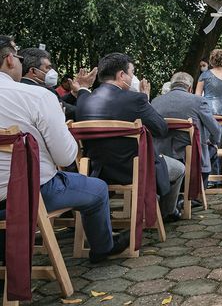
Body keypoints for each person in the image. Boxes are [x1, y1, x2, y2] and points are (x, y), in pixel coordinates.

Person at [0, 36, 129, 263]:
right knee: (98, 189)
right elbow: (66, 156)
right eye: (19, 58)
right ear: (10, 59)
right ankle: (102, 249)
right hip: (27, 194)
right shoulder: (37, 96)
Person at [75, 53, 185, 222]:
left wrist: (83, 87)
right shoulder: (135, 99)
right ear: (121, 75)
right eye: (132, 73)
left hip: (96, 170)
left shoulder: (84, 101)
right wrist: (146, 101)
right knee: (179, 169)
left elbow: (82, 93)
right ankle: (165, 214)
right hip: (134, 169)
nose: (133, 77)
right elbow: (161, 129)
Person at [151, 72, 222, 187]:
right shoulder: (199, 102)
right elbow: (216, 131)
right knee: (212, 149)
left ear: (171, 86)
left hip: (161, 158)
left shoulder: (155, 102)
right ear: (190, 88)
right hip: (191, 158)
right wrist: (212, 142)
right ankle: (197, 192)